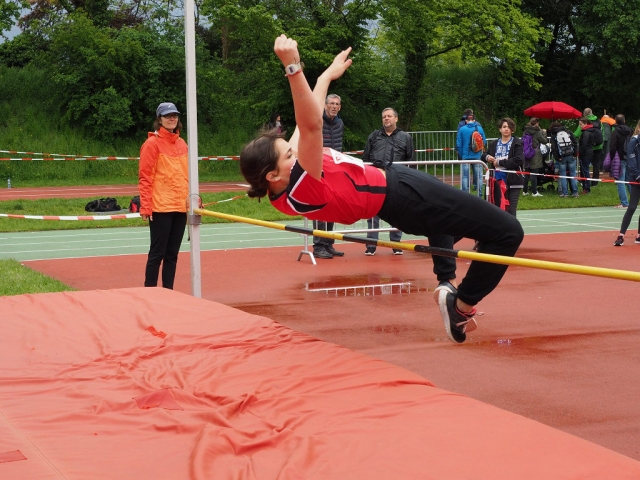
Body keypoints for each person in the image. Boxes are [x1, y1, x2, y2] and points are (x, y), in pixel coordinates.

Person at [239, 34, 524, 344]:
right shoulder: (300, 187)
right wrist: (293, 68)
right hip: (402, 197)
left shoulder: (284, 181)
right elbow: (310, 125)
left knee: (457, 222)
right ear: (271, 175)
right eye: (288, 154)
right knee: (508, 232)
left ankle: (447, 281)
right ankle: (462, 304)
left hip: (399, 187)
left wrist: (324, 77)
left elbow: (304, 122)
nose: (294, 151)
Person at [139, 102, 189, 289]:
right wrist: (146, 205)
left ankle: (168, 292)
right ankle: (149, 293)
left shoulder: (182, 144)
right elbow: (145, 177)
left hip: (180, 205)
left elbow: (187, 175)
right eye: (167, 116)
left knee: (172, 254)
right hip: (161, 206)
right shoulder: (151, 144)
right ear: (159, 119)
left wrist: (193, 197)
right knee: (157, 254)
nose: (172, 118)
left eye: (174, 115)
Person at [361, 107, 414, 255]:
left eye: (389, 116)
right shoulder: (374, 136)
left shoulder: (405, 137)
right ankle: (371, 245)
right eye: (384, 116)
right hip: (375, 179)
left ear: (396, 118)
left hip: (397, 179)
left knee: (396, 212)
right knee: (373, 213)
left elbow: (410, 160)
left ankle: (396, 243)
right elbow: (365, 158)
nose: (386, 118)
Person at [312, 94, 345, 259]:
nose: (334, 106)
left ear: (340, 107)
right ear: (325, 105)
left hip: (334, 170)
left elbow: (339, 145)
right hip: (318, 169)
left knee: (332, 205)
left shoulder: (340, 123)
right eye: (331, 103)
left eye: (337, 104)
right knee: (319, 205)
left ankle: (328, 243)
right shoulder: (318, 121)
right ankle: (318, 245)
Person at [482, 118, 524, 216]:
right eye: (504, 127)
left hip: (513, 180)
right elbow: (483, 155)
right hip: (497, 179)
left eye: (509, 127)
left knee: (511, 209)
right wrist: (487, 157)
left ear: (512, 130)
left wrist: (500, 162)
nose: (506, 129)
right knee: (499, 208)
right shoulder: (494, 144)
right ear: (500, 129)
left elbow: (518, 159)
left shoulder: (517, 143)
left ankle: (512, 230)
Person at [613, 120, 640, 246]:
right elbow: (631, 161)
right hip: (636, 179)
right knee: (632, 207)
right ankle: (621, 235)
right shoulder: (634, 141)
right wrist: (638, 176)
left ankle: (639, 235)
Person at [456, 113, 486, 197]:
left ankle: (465, 195)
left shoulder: (462, 129)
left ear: (466, 121)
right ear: (474, 120)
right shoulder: (479, 129)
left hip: (465, 156)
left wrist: (462, 155)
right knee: (479, 176)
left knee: (465, 176)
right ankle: (479, 195)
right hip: (477, 157)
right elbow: (484, 142)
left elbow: (459, 144)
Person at [574, 108, 603, 189]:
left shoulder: (584, 122)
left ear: (584, 114)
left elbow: (577, 133)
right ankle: (595, 182)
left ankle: (584, 181)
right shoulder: (599, 120)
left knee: (584, 165)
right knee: (596, 165)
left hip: (588, 147)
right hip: (598, 146)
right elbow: (602, 132)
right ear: (592, 112)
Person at [549, 122, 579, 198]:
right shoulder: (568, 132)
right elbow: (575, 142)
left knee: (563, 175)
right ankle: (575, 192)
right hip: (571, 155)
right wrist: (575, 154)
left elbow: (554, 148)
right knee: (573, 174)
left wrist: (557, 158)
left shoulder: (554, 135)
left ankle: (565, 193)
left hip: (561, 157)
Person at [609, 114, 632, 209]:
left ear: (615, 121)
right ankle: (634, 200)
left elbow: (613, 146)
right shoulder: (630, 131)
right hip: (629, 157)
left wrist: (612, 157)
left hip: (619, 157)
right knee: (628, 180)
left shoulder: (616, 132)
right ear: (625, 120)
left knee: (620, 180)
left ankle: (624, 203)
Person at [521, 117, 548, 197]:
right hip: (535, 154)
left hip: (526, 154)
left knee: (526, 174)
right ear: (537, 123)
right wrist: (544, 133)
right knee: (534, 174)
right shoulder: (538, 132)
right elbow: (545, 141)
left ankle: (524, 191)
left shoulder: (525, 131)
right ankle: (534, 192)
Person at [577, 117, 595, 194]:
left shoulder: (586, 133)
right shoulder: (589, 131)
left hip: (585, 153)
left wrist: (580, 152)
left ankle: (587, 188)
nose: (580, 126)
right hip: (588, 152)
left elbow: (584, 145)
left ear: (585, 124)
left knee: (585, 171)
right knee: (584, 170)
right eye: (579, 124)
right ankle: (585, 187)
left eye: (581, 124)